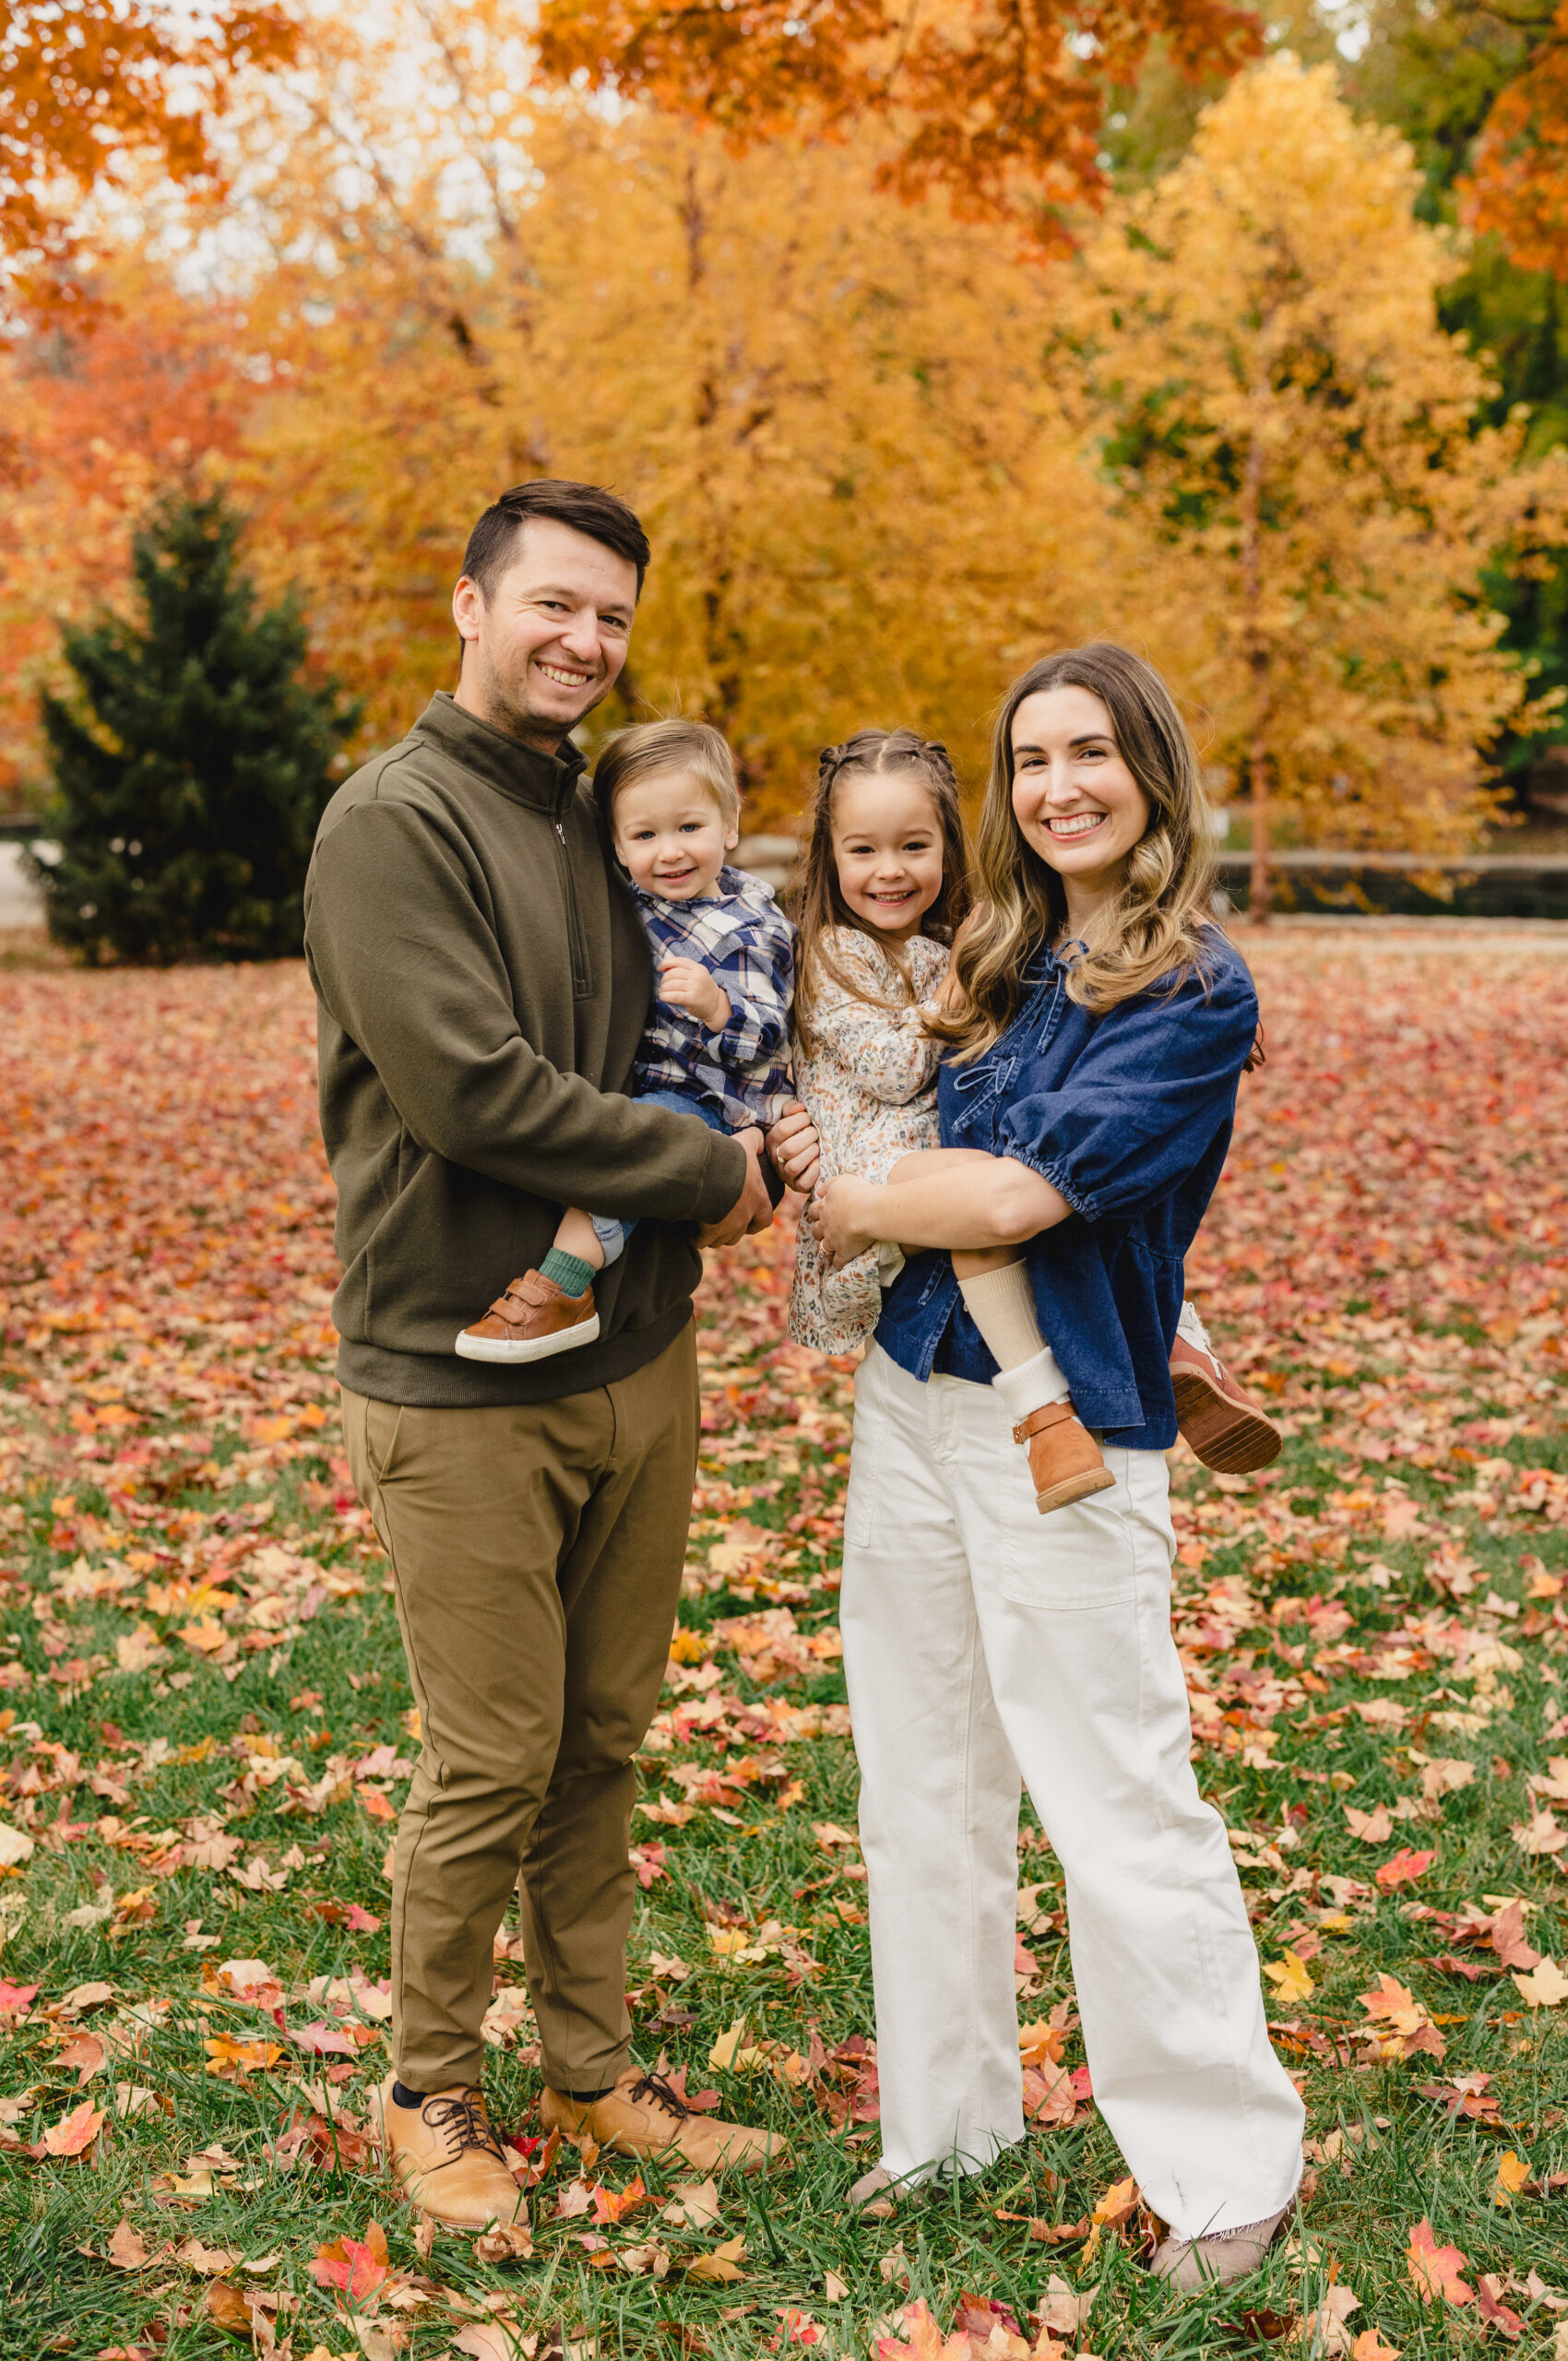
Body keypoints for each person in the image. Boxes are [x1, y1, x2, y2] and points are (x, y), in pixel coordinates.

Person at [303, 480, 785, 2233]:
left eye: (610, 619)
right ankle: (429, 2089)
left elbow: (703, 989)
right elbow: (470, 1091)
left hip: (634, 1357)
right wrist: (710, 1175)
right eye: (552, 604)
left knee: (602, 1737)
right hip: (459, 1374)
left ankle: (589, 2075)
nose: (581, 641)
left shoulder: (599, 815)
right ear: (470, 603)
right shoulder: (394, 823)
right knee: (491, 1752)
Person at [803, 646, 1306, 2289]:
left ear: (1150, 773)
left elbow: (1017, 1201)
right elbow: (934, 1139)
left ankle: (1226, 2172)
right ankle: (946, 2124)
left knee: (1113, 1798)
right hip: (913, 1399)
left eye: (1089, 752)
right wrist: (903, 1176)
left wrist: (854, 1190)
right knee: (923, 1785)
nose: (1055, 786)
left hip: (1068, 1434)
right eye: (1027, 760)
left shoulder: (1193, 989)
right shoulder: (997, 956)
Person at [783, 730, 1279, 1501]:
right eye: (1033, 762)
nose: (890, 871)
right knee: (978, 1190)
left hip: (1003, 1284)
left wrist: (1204, 997)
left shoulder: (982, 941)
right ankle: (1169, 1358)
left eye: (914, 845)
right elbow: (881, 1062)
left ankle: (1091, 1393)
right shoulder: (861, 952)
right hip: (908, 1314)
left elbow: (1015, 1197)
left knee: (986, 1196)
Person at [457, 718, 794, 1364]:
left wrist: (717, 1006)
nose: (668, 852)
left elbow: (771, 1037)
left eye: (689, 828)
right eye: (645, 835)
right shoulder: (637, 901)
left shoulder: (750, 927)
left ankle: (562, 1290)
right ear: (617, 845)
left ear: (729, 825)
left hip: (714, 1100)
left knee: (634, 1150)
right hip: (652, 1083)